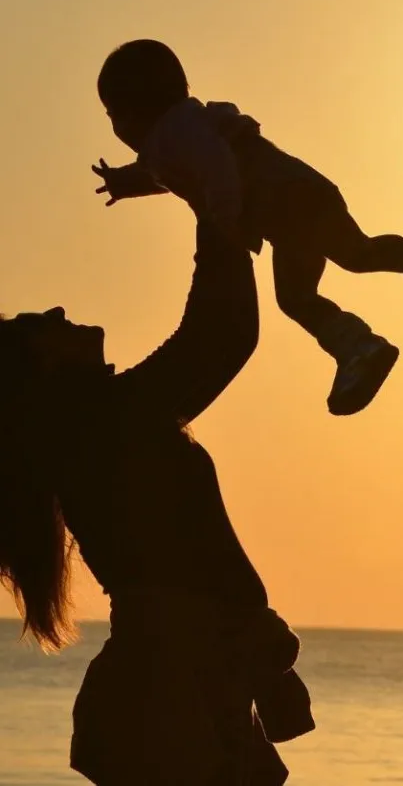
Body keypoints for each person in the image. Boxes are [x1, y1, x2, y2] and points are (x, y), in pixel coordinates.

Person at [0, 220, 313, 785]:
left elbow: (220, 337)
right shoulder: (105, 422)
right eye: (37, 326)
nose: (56, 311)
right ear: (41, 370)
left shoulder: (108, 423)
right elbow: (219, 336)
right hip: (168, 690)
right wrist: (214, 203)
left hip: (181, 681)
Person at [93, 38, 401, 417]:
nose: (115, 127)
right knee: (359, 253)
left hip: (284, 210)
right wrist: (126, 182)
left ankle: (361, 348)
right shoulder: (187, 125)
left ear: (132, 112)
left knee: (296, 298)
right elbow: (172, 171)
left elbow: (214, 164)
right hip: (305, 191)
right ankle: (359, 348)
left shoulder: (171, 134)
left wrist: (222, 222)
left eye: (111, 114)